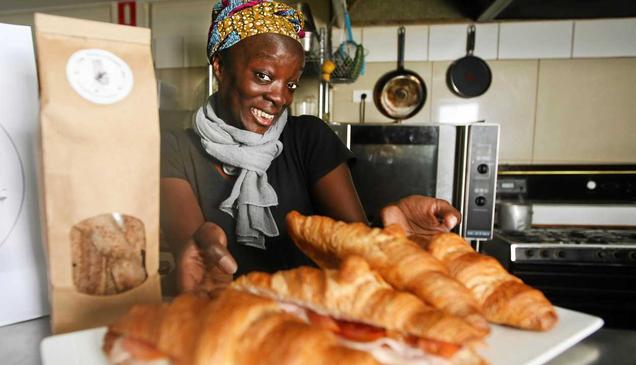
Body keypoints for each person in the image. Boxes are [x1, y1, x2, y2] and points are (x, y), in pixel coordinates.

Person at [160, 0, 461, 295]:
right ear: (220, 66)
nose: (280, 98)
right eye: (264, 76)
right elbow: (195, 257)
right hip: (225, 324)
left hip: (312, 321)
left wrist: (390, 233)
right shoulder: (175, 149)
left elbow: (357, 246)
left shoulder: (308, 138)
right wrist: (197, 264)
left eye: (291, 84)